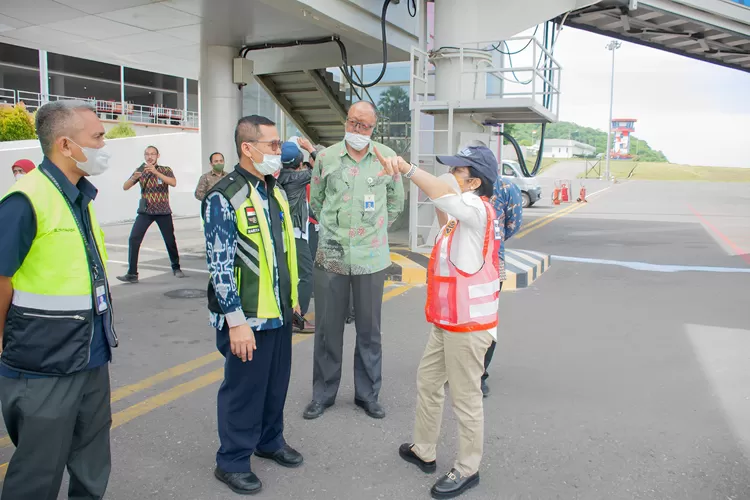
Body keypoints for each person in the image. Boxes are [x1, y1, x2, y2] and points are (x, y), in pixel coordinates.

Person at [0, 100, 118, 500]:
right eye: (98, 137)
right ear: (66, 145)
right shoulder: (26, 199)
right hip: (44, 362)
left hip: (90, 354)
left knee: (91, 463)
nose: (105, 145)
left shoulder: (79, 195)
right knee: (38, 471)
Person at [377, 145, 500, 499]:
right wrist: (436, 188)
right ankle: (424, 449)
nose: (450, 175)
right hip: (447, 323)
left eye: (458, 171)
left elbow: (442, 194)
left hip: (469, 328)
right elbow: (442, 203)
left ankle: (467, 468)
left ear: (475, 182)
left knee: (465, 398)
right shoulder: (459, 219)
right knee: (428, 382)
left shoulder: (477, 209)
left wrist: (407, 168)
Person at [203, 115, 303, 496]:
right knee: (244, 389)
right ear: (248, 148)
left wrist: (292, 303)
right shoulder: (224, 195)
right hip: (245, 317)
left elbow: (282, 253)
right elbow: (220, 264)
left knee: (275, 384)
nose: (281, 152)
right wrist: (235, 322)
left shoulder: (271, 189)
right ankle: (231, 460)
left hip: (277, 311)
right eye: (274, 145)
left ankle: (270, 440)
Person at [304, 101, 405, 420]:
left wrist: (369, 231)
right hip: (330, 254)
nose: (357, 130)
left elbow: (396, 203)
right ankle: (323, 393)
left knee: (369, 330)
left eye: (364, 126)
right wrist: (338, 231)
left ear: (375, 127)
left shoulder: (386, 158)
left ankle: (368, 394)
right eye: (352, 123)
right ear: (346, 122)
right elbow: (316, 202)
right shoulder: (326, 157)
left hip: (371, 257)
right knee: (326, 329)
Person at [117, 145, 184, 283]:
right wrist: (133, 178)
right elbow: (125, 186)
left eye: (153, 154)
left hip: (163, 210)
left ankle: (176, 267)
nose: (150, 157)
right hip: (146, 211)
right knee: (134, 238)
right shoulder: (140, 170)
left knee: (169, 240)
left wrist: (156, 172)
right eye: (147, 154)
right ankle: (132, 273)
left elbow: (173, 183)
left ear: (157, 156)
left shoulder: (165, 170)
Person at [481, 176, 522, 397]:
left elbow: (512, 224)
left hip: (494, 263)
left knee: (486, 321)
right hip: (458, 263)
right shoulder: (457, 185)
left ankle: (480, 374)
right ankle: (455, 368)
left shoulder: (506, 187)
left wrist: (493, 241)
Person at [277, 138, 319, 333]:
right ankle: (297, 317)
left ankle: (286, 313)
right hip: (295, 234)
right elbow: (322, 168)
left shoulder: (276, 177)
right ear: (298, 161)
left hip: (283, 232)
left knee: (287, 275)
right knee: (306, 275)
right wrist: (311, 149)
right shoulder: (297, 177)